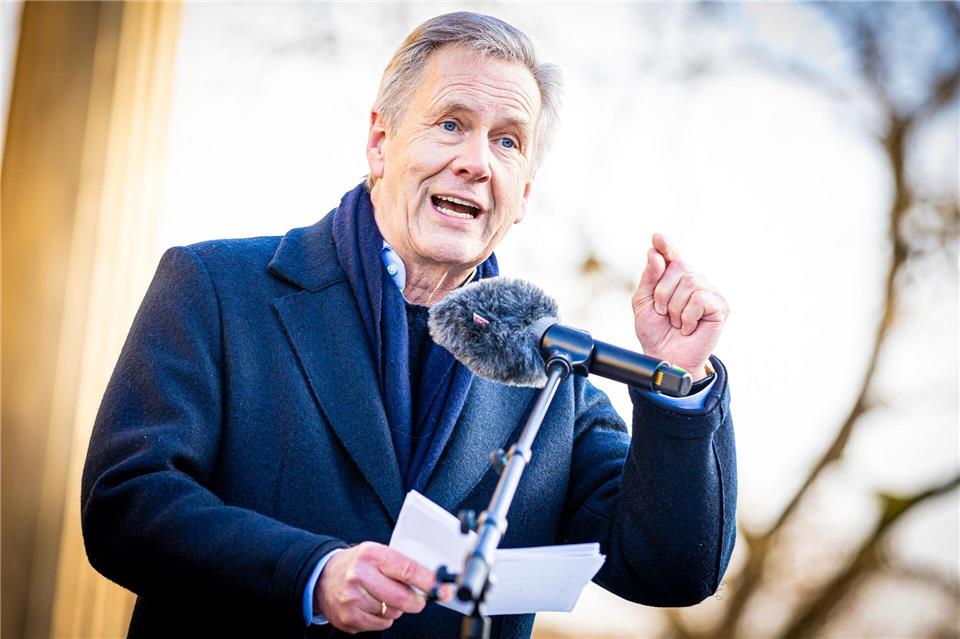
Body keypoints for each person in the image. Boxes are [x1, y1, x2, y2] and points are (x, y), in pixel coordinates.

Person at [81, 11, 736, 639]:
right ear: (379, 142)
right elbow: (127, 501)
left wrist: (680, 384)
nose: (478, 161)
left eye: (508, 141)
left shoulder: (552, 377)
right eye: (452, 124)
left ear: (523, 196)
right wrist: (313, 572)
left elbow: (673, 567)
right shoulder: (217, 287)